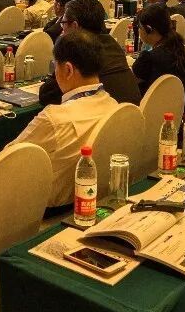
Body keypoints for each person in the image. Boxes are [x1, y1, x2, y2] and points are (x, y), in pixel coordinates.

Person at [8, 29, 122, 207]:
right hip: (91, 199)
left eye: (55, 66)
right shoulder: (114, 106)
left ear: (68, 69)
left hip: (45, 209)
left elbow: (6, 162)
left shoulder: (54, 119)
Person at [37, 0, 141, 106]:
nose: (62, 28)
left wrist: (61, 48)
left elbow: (46, 95)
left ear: (75, 26)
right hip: (130, 114)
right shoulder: (112, 45)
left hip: (100, 114)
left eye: (63, 23)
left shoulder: (79, 51)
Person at [132, 3, 185, 112]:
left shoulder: (149, 58)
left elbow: (131, 89)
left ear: (148, 29)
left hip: (158, 115)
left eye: (139, 27)